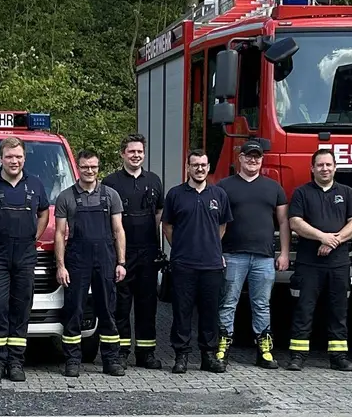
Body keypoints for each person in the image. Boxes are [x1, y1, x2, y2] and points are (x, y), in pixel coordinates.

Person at [0, 136, 50, 382]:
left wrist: (34, 236)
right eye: (9, 157)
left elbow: (44, 212)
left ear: (24, 158)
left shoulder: (35, 184)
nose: (14, 161)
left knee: (21, 307)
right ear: (0, 158)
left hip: (25, 254)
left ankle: (15, 361)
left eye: (18, 157)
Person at [285, 149, 352, 372]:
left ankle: (338, 356)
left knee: (339, 311)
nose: (325, 169)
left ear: (335, 168)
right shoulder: (301, 193)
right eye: (320, 165)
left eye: (328, 165)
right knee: (304, 309)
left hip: (339, 264)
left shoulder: (347, 192)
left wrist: (333, 241)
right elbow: (295, 223)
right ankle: (297, 356)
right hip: (309, 264)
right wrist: (322, 237)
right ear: (312, 168)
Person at [54, 150, 128, 377]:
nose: (89, 171)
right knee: (74, 309)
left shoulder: (110, 195)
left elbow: (118, 230)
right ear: (78, 167)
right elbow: (59, 234)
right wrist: (60, 265)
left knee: (107, 309)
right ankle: (73, 360)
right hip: (77, 260)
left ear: (98, 168)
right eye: (85, 167)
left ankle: (111, 359)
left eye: (93, 167)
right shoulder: (66, 197)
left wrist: (121, 262)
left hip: (105, 260)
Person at [216, 139, 288, 369]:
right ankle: (222, 346)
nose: (253, 160)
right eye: (248, 156)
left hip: (264, 257)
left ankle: (264, 350)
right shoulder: (224, 187)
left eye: (257, 156)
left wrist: (284, 252)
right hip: (232, 254)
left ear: (262, 159)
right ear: (240, 158)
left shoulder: (274, 188)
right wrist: (217, 252)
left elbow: (284, 222)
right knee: (228, 303)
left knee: (262, 305)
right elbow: (216, 223)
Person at [161, 150, 232, 373]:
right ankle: (181, 356)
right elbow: (167, 227)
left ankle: (208, 356)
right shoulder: (175, 194)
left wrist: (209, 246)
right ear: (187, 167)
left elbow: (222, 227)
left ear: (208, 167)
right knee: (182, 312)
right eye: (195, 165)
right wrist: (182, 248)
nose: (199, 169)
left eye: (203, 165)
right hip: (183, 264)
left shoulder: (219, 195)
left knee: (210, 312)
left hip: (211, 265)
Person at [103, 134, 165, 369]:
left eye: (139, 151)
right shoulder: (110, 183)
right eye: (131, 151)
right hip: (121, 254)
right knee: (121, 304)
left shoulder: (154, 181)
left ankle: (146, 354)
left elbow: (159, 214)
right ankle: (121, 352)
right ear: (122, 154)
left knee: (147, 305)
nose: (136, 155)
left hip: (148, 252)